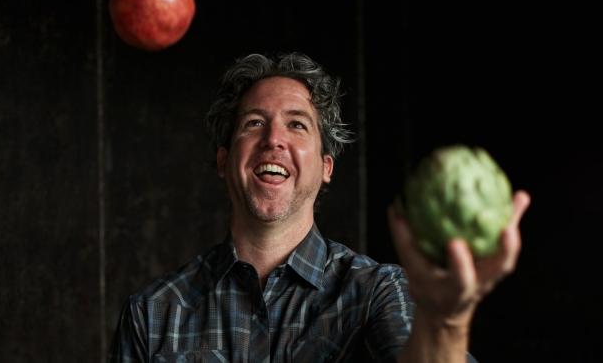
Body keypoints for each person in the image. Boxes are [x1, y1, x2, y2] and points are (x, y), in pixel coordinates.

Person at [108, 52, 531, 362]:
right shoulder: (153, 314)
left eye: (297, 124)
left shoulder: (377, 294)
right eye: (254, 123)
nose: (274, 139)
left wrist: (445, 322)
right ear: (224, 161)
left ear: (326, 166)